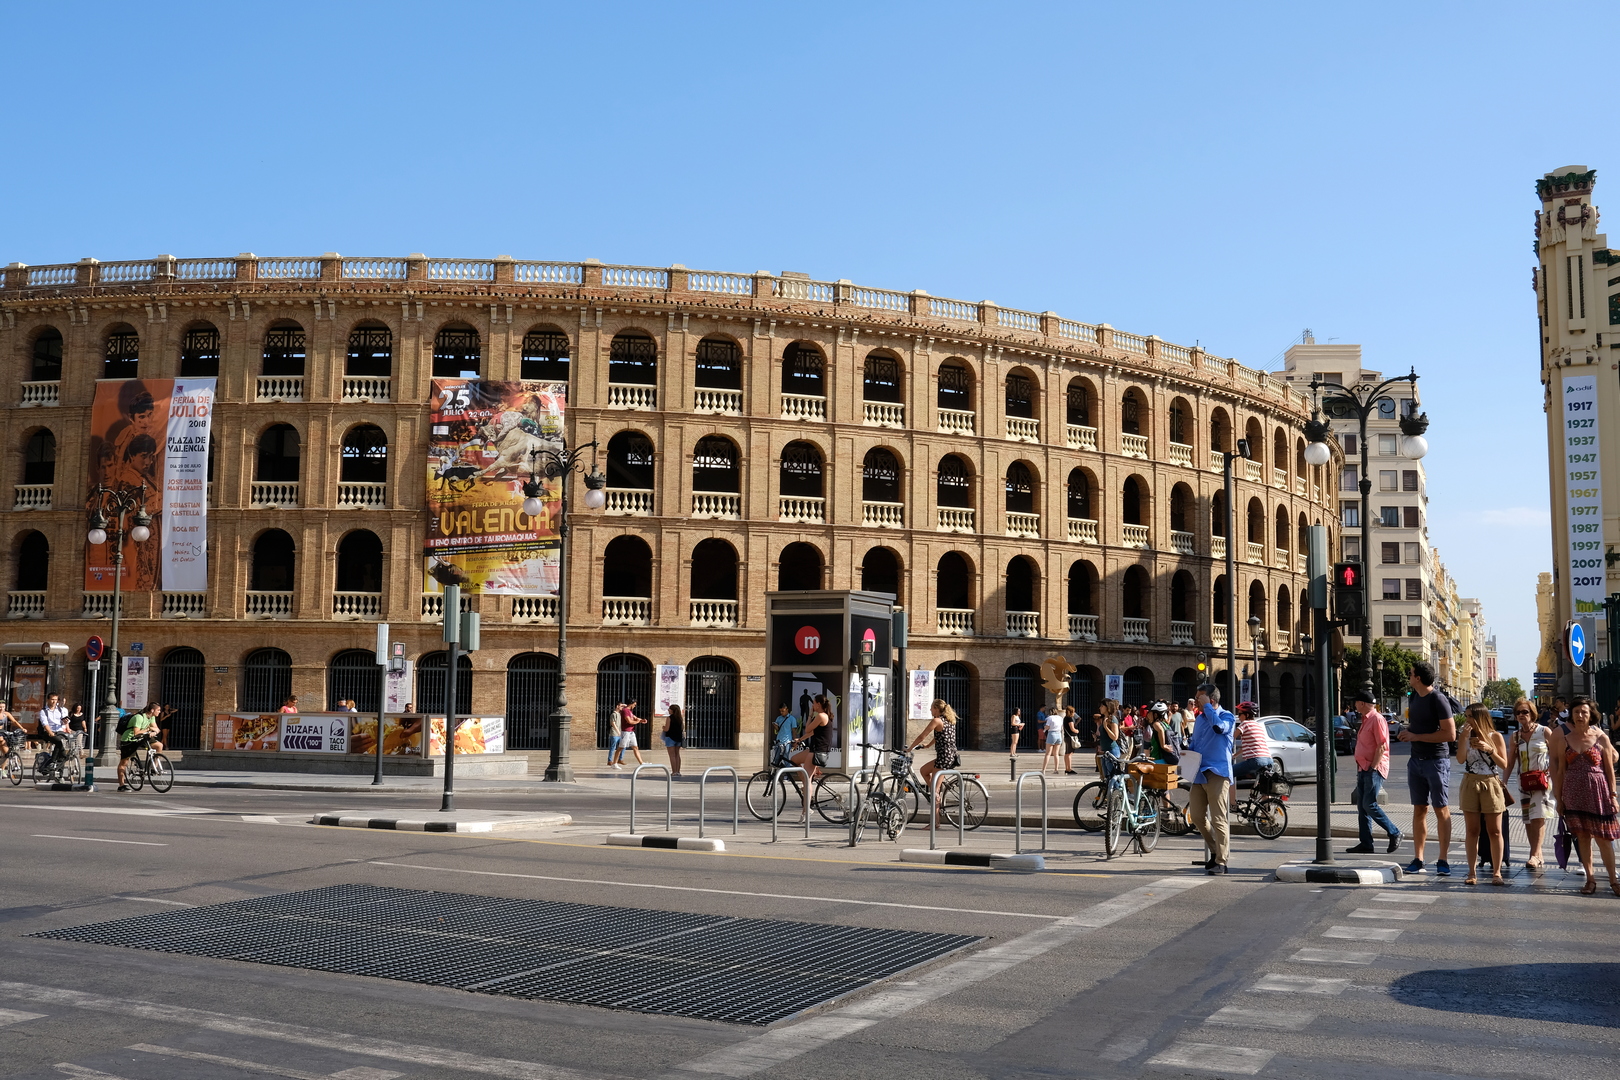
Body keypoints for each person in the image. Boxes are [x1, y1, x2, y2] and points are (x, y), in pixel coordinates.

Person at [1549, 696, 1620, 896]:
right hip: (1573, 792)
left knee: (1604, 838)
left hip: (1598, 792)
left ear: (1591, 716)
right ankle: (1590, 879)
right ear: (1571, 715)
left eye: (1584, 712)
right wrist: (1559, 797)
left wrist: (1613, 795)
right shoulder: (1564, 740)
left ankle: (1614, 880)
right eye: (1577, 712)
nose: (1580, 716)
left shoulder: (1600, 737)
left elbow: (1609, 769)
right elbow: (1561, 770)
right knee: (1582, 837)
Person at [1398, 661, 1456, 876]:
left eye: (1411, 673)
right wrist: (1406, 732)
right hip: (1416, 760)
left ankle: (1443, 859)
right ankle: (1418, 858)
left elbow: (1450, 735)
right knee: (1419, 809)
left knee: (1441, 809)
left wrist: (1416, 736)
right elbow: (1417, 727)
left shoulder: (1438, 699)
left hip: (1436, 760)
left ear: (1419, 678)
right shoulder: (1414, 697)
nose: (1409, 676)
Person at [1455, 702, 1508, 886]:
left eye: (1470, 716)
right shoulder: (1466, 735)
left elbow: (1504, 764)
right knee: (1472, 830)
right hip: (1470, 782)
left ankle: (1497, 872)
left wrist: (1489, 749)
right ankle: (1471, 872)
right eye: (1466, 715)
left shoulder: (1496, 736)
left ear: (1479, 717)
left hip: (1491, 782)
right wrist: (1462, 739)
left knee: (1494, 830)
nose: (1466, 719)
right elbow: (1461, 759)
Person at [1345, 690, 1402, 855]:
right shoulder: (1366, 719)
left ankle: (1394, 832)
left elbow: (1381, 745)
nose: (1354, 705)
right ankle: (1366, 843)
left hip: (1372, 768)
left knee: (1369, 805)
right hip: (1363, 767)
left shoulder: (1377, 719)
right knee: (1362, 808)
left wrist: (1374, 767)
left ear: (1362, 703)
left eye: (1356, 702)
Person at [1187, 682, 1235, 874]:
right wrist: (1186, 753)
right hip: (1199, 773)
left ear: (1210, 699)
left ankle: (1222, 861)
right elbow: (1196, 743)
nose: (1196, 700)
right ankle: (1216, 851)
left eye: (1200, 697)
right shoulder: (1199, 720)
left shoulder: (1227, 716)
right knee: (1197, 816)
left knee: (1218, 818)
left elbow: (1219, 728)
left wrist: (1208, 707)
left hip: (1217, 773)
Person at [1504, 696, 1555, 869]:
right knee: (1527, 818)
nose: (1521, 715)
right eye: (1518, 712)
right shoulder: (1516, 736)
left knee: (1538, 816)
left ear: (1532, 713)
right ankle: (1536, 853)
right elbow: (1510, 761)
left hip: (1542, 780)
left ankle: (1534, 854)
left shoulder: (1544, 731)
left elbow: (1556, 756)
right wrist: (1503, 781)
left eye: (1524, 712)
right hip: (1524, 781)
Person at [909, 699, 962, 808]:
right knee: (924, 771)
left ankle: (935, 822)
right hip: (951, 755)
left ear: (936, 709)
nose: (930, 710)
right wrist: (928, 745)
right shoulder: (949, 720)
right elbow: (940, 736)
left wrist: (910, 748)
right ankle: (936, 790)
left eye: (932, 708)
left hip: (944, 757)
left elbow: (921, 736)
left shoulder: (937, 721)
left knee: (934, 792)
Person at [790, 694, 832, 822]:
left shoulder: (820, 716)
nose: (812, 705)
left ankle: (806, 810)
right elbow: (812, 732)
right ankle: (805, 787)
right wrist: (800, 739)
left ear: (818, 704)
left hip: (817, 751)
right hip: (814, 750)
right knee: (794, 760)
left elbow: (807, 727)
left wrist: (809, 714)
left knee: (808, 780)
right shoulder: (823, 717)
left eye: (813, 703)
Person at [116, 703, 162, 791]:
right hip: (130, 739)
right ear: (152, 710)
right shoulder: (139, 717)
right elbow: (136, 732)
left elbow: (156, 729)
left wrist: (154, 732)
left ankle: (154, 768)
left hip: (143, 737)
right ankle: (121, 785)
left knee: (159, 745)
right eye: (158, 710)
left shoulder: (152, 717)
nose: (159, 712)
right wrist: (149, 729)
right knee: (124, 763)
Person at [1231, 703, 1272, 782]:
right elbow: (1252, 745)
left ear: (1246, 714)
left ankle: (1222, 794)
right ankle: (1265, 794)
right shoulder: (1258, 725)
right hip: (1269, 760)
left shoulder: (1245, 724)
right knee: (1264, 786)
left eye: (1239, 714)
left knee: (1228, 772)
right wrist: (1235, 755)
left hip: (1256, 760)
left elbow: (1231, 738)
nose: (1238, 717)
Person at [38, 693, 71, 768]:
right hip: (48, 732)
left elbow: (63, 720)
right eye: (52, 699)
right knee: (59, 742)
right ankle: (52, 762)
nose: (54, 701)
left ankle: (60, 775)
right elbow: (45, 723)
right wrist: (50, 732)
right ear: (48, 700)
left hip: (59, 731)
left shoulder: (60, 710)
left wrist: (65, 721)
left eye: (56, 700)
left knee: (61, 751)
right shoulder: (44, 711)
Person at [609, 701, 645, 769]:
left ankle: (641, 763)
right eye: (634, 704)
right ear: (631, 704)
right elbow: (629, 721)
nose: (635, 706)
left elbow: (635, 718)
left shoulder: (630, 711)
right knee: (620, 748)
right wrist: (637, 721)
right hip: (626, 732)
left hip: (631, 732)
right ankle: (614, 763)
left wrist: (641, 720)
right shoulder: (625, 711)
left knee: (635, 747)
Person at [662, 703, 685, 777]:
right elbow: (682, 728)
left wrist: (663, 727)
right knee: (677, 755)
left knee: (672, 756)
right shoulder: (680, 718)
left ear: (672, 710)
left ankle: (674, 771)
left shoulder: (669, 718)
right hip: (678, 738)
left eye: (669, 708)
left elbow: (667, 729)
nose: (668, 710)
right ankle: (678, 771)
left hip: (670, 738)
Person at [1041, 703, 1064, 774]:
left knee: (1048, 753)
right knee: (1056, 754)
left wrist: (1044, 729)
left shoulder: (1050, 718)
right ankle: (1056, 769)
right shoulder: (1060, 718)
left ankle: (1043, 769)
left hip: (1052, 734)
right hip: (1059, 734)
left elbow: (1047, 726)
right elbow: (1061, 727)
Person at [1062, 705, 1081, 774]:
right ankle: (1069, 769)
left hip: (1066, 737)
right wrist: (1077, 731)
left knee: (1067, 753)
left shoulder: (1065, 718)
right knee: (1070, 753)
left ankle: (1067, 768)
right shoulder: (1070, 719)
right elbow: (1072, 728)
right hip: (1071, 737)